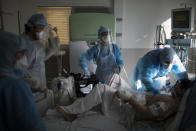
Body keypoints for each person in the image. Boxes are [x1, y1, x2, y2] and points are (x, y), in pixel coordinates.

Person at [56, 74, 190, 129]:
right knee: (113, 81)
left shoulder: (170, 104)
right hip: (132, 104)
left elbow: (149, 113)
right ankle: (79, 108)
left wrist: (129, 98)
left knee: (101, 89)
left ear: (184, 91)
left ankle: (71, 112)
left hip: (127, 115)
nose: (176, 84)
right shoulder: (170, 99)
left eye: (179, 84)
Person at [0, 31, 46, 131]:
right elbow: (33, 126)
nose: (22, 58)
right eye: (19, 54)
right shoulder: (14, 87)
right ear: (7, 54)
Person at [16, 13, 59, 91]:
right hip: (29, 87)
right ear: (31, 27)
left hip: (41, 86)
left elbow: (39, 60)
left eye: (44, 28)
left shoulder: (37, 42)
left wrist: (50, 50)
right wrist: (35, 84)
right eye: (41, 28)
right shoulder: (22, 43)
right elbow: (20, 70)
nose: (43, 31)